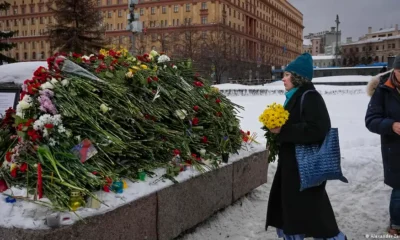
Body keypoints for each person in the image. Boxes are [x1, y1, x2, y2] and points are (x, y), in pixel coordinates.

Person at [265, 53, 347, 240]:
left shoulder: (310, 97)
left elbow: (318, 129)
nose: (283, 79)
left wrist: (282, 131)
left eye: (287, 75)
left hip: (304, 166)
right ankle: (293, 234)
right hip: (294, 165)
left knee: (314, 212)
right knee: (298, 210)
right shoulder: (296, 95)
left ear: (297, 77)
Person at [365, 55, 400, 235]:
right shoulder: (383, 91)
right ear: (395, 70)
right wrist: (391, 125)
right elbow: (371, 120)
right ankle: (396, 224)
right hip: (394, 148)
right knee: (399, 188)